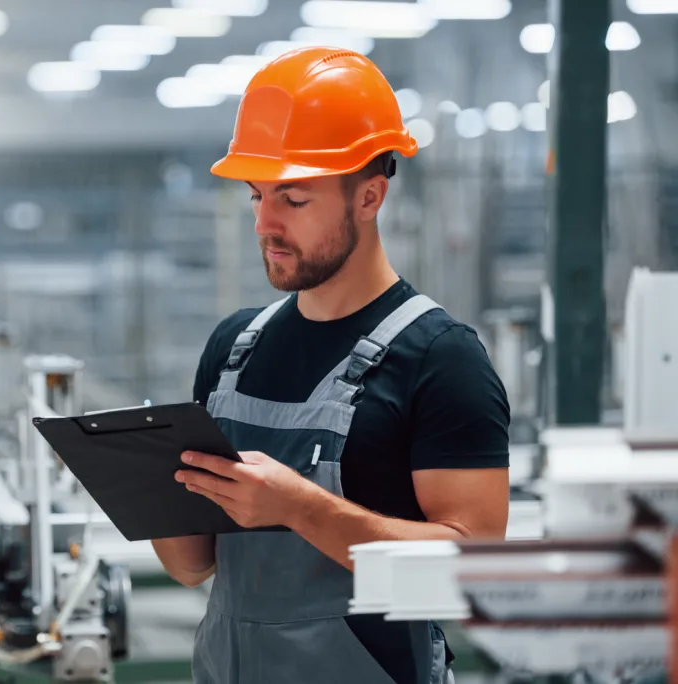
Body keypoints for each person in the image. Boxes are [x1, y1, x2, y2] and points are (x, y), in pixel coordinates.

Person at [150, 47, 511, 684]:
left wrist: (302, 509)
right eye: (257, 195)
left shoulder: (439, 357)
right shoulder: (234, 351)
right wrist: (146, 483)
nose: (264, 223)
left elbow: (471, 571)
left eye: (292, 198)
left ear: (369, 196)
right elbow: (192, 566)